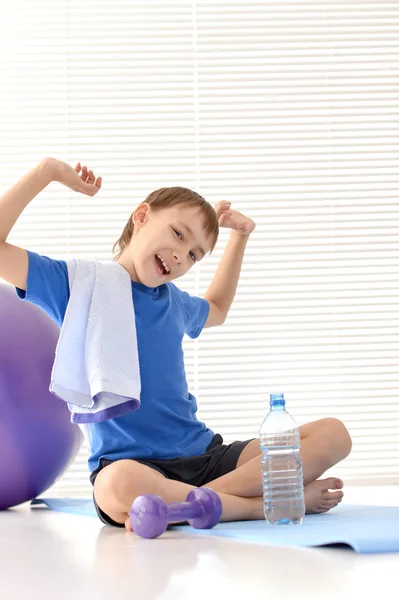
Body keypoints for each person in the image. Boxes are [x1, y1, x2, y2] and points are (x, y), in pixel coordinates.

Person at [0, 158, 352, 530]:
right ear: (141, 216)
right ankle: (256, 504)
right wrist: (48, 172)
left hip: (204, 457)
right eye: (179, 235)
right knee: (114, 486)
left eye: (194, 255)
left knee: (334, 435)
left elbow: (217, 307)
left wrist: (240, 237)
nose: (181, 256)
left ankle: (200, 502)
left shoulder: (175, 302)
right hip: (136, 468)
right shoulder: (76, 284)